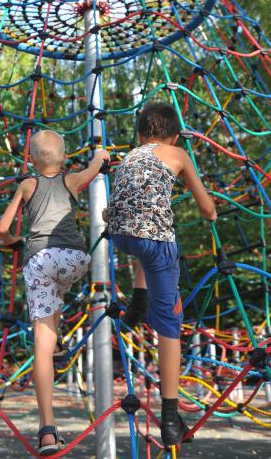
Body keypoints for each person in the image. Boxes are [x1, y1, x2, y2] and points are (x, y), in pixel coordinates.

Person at [106, 101, 217, 448]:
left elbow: (126, 204)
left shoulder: (128, 158)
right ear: (174, 135)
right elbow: (207, 208)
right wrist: (212, 214)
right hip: (154, 242)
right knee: (171, 323)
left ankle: (139, 301)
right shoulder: (178, 153)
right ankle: (170, 418)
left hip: (120, 237)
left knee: (143, 239)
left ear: (140, 134)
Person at [0, 129, 110, 456]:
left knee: (41, 348)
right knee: (55, 294)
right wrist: (100, 156)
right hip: (76, 259)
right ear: (62, 159)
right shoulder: (72, 180)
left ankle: (47, 430)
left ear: (32, 160)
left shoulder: (27, 184)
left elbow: (3, 228)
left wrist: (13, 243)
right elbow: (97, 163)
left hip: (41, 260)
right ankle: (58, 339)